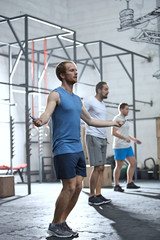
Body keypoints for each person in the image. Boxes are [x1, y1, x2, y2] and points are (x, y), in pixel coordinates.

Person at [33, 61, 124, 238]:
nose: (76, 73)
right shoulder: (56, 94)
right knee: (69, 186)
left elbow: (90, 121)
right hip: (63, 147)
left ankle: (62, 222)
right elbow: (47, 113)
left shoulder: (76, 99)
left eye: (76, 70)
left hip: (77, 148)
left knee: (78, 186)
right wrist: (41, 120)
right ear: (62, 75)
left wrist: (113, 122)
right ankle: (54, 224)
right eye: (71, 70)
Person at [84, 82, 112, 206]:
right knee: (96, 167)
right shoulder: (90, 101)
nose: (108, 91)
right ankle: (91, 196)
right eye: (106, 89)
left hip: (101, 137)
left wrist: (104, 136)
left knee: (101, 167)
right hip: (92, 136)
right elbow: (80, 113)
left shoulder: (102, 105)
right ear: (99, 90)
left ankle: (98, 194)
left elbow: (101, 121)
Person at [111, 103, 142, 192]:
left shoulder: (125, 119)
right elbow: (113, 132)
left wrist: (134, 139)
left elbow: (125, 133)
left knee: (133, 163)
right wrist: (124, 138)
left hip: (127, 146)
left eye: (128, 109)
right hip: (119, 146)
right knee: (119, 166)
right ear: (121, 109)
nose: (128, 111)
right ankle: (116, 185)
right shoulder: (117, 119)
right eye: (126, 109)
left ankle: (129, 182)